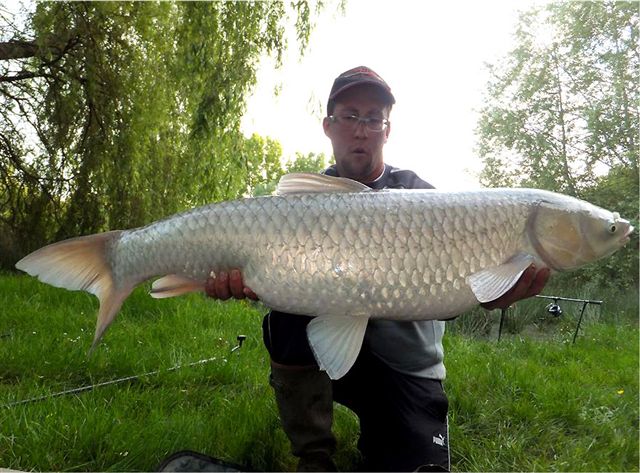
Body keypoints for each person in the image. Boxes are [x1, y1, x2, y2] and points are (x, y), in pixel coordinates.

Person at [205, 66, 549, 472]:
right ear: (329, 126)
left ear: (386, 131)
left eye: (373, 119)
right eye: (350, 116)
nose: (361, 129)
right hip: (328, 348)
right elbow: (267, 272)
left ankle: (388, 434)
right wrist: (235, 279)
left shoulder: (422, 199)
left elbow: (451, 297)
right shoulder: (304, 204)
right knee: (285, 319)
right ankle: (314, 455)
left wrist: (493, 293)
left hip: (404, 366)